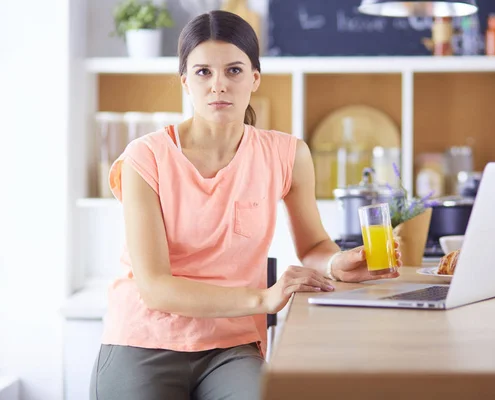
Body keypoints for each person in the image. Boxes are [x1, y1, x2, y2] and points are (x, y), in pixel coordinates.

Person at [90, 10, 401, 400]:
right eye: (203, 72)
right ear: (185, 81)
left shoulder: (287, 154)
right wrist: (263, 298)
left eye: (233, 70)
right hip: (143, 340)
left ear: (254, 78)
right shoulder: (144, 158)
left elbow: (313, 247)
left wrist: (337, 263)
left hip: (232, 346)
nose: (218, 84)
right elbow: (155, 289)